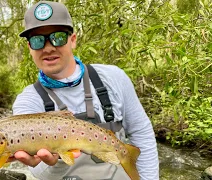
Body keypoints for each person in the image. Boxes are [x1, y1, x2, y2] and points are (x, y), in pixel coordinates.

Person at [11, 1, 159, 180]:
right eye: (37, 40)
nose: (48, 47)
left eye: (58, 37)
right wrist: (58, 154)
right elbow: (36, 171)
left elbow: (141, 133)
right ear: (29, 48)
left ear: (72, 40)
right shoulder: (28, 101)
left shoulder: (113, 78)